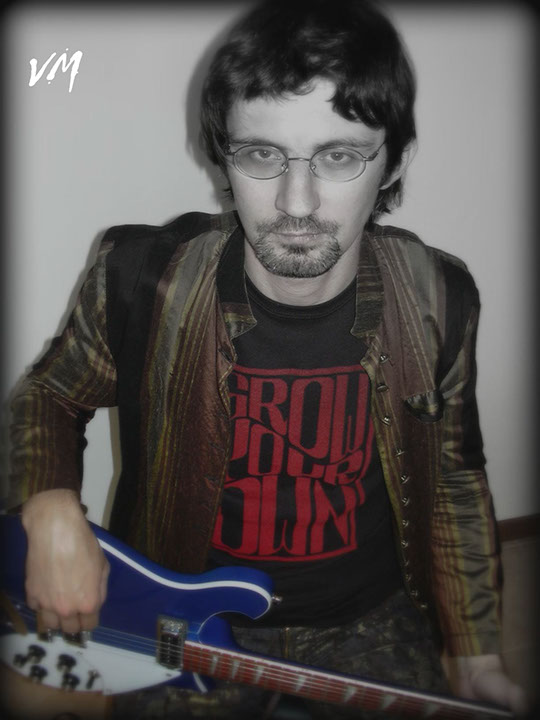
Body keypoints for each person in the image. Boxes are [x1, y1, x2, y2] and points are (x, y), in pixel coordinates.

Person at [6, 0, 529, 718]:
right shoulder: (140, 280)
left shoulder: (440, 295)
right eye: (261, 154)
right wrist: (49, 505)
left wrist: (475, 650)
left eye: (339, 156)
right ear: (224, 155)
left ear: (394, 161)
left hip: (368, 618)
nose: (297, 202)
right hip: (180, 618)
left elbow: (455, 476)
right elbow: (49, 394)